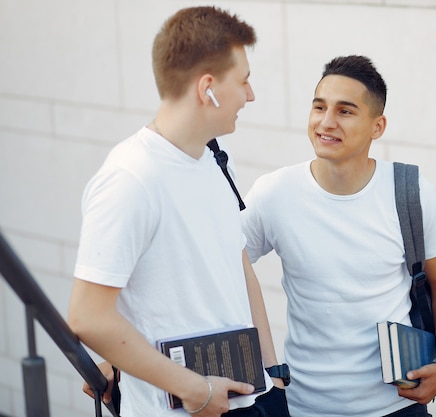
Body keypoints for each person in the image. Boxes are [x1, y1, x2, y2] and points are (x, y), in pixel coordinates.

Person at [68, 6, 290, 417]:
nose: (251, 95)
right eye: (243, 81)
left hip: (253, 399)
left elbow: (237, 268)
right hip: (187, 408)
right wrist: (192, 388)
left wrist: (272, 375)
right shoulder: (130, 178)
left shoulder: (215, 158)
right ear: (208, 88)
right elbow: (88, 316)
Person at [242, 55, 436, 417]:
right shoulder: (274, 194)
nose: (326, 122)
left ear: (378, 126)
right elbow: (217, 267)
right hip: (305, 407)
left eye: (345, 111)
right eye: (319, 107)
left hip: (398, 406)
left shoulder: (409, 191)